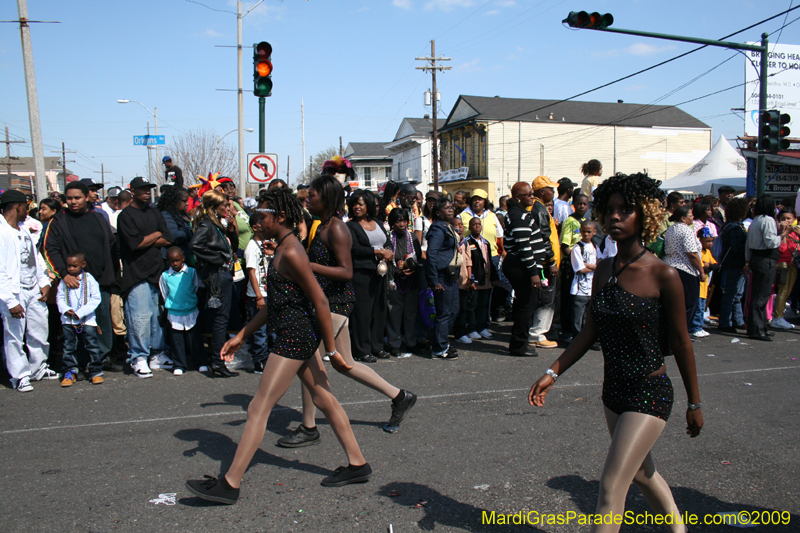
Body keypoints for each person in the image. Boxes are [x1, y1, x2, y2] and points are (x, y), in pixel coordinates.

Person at [529, 172, 703, 533]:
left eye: (625, 210)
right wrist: (553, 371)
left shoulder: (663, 274)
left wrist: (694, 404)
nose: (614, 217)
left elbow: (683, 342)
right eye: (609, 209)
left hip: (649, 391)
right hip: (614, 391)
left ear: (646, 216)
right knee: (642, 472)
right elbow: (589, 329)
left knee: (611, 486)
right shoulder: (604, 269)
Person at [186, 188, 372, 505]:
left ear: (281, 217)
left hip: (294, 337)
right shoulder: (283, 248)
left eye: (261, 216)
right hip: (293, 332)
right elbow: (276, 303)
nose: (255, 222)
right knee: (325, 398)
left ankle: (230, 484)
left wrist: (331, 350)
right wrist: (243, 334)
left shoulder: (293, 252)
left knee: (259, 406)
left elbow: (321, 299)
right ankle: (358, 464)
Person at [281, 177, 417, 446]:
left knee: (310, 360)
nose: (309, 198)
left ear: (328, 198)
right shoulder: (321, 225)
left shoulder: (337, 229)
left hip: (335, 303)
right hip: (326, 301)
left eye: (314, 194)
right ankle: (400, 396)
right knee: (346, 364)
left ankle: (309, 426)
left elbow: (346, 272)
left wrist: (307, 266)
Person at [44, 181, 120, 372]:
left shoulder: (98, 218)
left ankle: (101, 358)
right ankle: (78, 362)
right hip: (74, 281)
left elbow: (111, 245)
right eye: (69, 198)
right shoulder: (59, 220)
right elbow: (50, 249)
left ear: (86, 197)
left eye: (77, 198)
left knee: (101, 319)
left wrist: (112, 276)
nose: (73, 202)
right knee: (76, 323)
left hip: (100, 279)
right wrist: (64, 274)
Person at [117, 177, 173, 378]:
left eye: (149, 189)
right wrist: (154, 235)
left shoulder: (154, 212)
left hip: (156, 272)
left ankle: (157, 354)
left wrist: (148, 239)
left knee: (157, 317)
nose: (146, 192)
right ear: (132, 191)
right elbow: (135, 244)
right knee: (139, 318)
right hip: (136, 274)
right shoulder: (125, 216)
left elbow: (167, 238)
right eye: (142, 189)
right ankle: (138, 357)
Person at [0, 190, 56, 392]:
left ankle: (38, 366)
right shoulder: (2, 232)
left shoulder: (23, 230)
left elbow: (34, 259)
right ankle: (20, 375)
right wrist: (10, 301)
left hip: (33, 288)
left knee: (39, 328)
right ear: (17, 207)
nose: (29, 210)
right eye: (26, 206)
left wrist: (44, 281)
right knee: (14, 334)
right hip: (14, 292)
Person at [189, 189, 240, 377]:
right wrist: (217, 258)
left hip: (224, 274)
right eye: (224, 205)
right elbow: (194, 245)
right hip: (217, 274)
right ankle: (218, 363)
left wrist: (232, 229)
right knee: (221, 318)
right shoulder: (206, 224)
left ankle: (218, 362)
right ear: (213, 207)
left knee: (222, 318)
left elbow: (232, 246)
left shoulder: (218, 224)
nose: (228, 208)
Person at [347, 189, 392, 362]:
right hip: (361, 273)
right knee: (362, 313)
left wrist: (387, 251)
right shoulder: (350, 226)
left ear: (369, 205)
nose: (357, 207)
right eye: (354, 204)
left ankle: (377, 346)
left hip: (380, 273)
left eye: (360, 204)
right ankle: (362, 350)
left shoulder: (378, 222)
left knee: (379, 311)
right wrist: (378, 252)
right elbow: (355, 248)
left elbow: (386, 240)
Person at [502, 182, 546, 357]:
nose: (532, 197)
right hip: (520, 265)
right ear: (518, 197)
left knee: (526, 304)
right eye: (528, 194)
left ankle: (520, 342)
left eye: (532, 194)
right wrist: (533, 272)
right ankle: (519, 346)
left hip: (523, 265)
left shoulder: (521, 213)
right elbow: (524, 247)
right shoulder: (518, 216)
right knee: (526, 306)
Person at [57, 251, 103, 386]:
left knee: (92, 346)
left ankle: (95, 371)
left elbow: (96, 298)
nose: (70, 269)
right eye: (68, 266)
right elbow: (59, 297)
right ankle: (70, 371)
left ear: (83, 265)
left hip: (86, 320)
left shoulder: (89, 279)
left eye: (74, 266)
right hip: (68, 321)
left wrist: (81, 312)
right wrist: (66, 310)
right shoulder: (64, 281)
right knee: (69, 347)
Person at [425, 197, 461, 359]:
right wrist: (434, 280)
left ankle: (443, 341)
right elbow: (432, 254)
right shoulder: (438, 229)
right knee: (444, 312)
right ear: (438, 212)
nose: (451, 210)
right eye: (446, 208)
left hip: (451, 276)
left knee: (453, 310)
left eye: (451, 207)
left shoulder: (447, 226)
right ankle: (438, 348)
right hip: (441, 276)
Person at [745, 194, 785, 341]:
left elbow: (748, 244)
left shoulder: (756, 220)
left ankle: (760, 327)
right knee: (761, 296)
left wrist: (747, 261)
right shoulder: (768, 220)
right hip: (765, 259)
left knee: (759, 294)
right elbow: (770, 242)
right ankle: (757, 329)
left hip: (757, 258)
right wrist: (782, 234)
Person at [159, 246, 204, 376]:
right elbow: (164, 294)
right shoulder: (165, 276)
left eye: (177, 260)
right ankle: (179, 364)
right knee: (176, 340)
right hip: (174, 313)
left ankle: (200, 362)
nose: (175, 264)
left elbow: (196, 288)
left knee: (195, 339)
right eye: (172, 261)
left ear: (183, 258)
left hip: (191, 311)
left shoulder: (191, 272)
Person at [385, 207, 423, 357]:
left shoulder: (413, 238)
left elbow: (418, 257)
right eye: (398, 221)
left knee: (410, 314)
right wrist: (397, 270)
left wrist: (411, 267)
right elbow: (385, 260)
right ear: (392, 223)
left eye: (404, 221)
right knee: (394, 314)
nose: (401, 224)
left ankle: (411, 342)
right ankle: (394, 344)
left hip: (411, 281)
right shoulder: (388, 238)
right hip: (394, 281)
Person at [529, 176, 560, 349]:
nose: (553, 192)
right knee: (546, 298)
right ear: (542, 191)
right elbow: (543, 238)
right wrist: (551, 261)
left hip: (544, 262)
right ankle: (537, 334)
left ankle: (536, 332)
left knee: (543, 297)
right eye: (551, 189)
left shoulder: (539, 208)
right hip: (546, 264)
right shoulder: (539, 209)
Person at [663, 205, 705, 333]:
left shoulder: (671, 229)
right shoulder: (686, 230)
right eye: (690, 215)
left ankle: (672, 331)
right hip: (685, 269)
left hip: (670, 266)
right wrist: (701, 271)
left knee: (673, 303)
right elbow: (692, 252)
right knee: (689, 303)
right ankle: (682, 333)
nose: (693, 217)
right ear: (683, 218)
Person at [455, 217, 494, 344]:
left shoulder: (486, 242)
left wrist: (494, 276)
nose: (477, 226)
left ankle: (482, 327)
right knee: (472, 305)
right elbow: (469, 262)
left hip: (486, 278)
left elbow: (489, 260)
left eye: (479, 224)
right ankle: (471, 328)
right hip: (474, 279)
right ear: (470, 227)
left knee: (484, 304)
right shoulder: (467, 242)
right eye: (474, 224)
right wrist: (471, 278)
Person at [559, 193, 590, 342]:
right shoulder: (570, 221)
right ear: (574, 205)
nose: (582, 206)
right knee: (568, 299)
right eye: (579, 204)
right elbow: (565, 245)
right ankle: (567, 332)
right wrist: (575, 261)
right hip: (571, 265)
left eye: (585, 204)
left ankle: (580, 330)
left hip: (584, 267)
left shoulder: (586, 222)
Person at [717, 197, 750, 333]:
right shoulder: (735, 228)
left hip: (730, 263)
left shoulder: (728, 225)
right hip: (735, 263)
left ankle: (737, 320)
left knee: (735, 293)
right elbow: (737, 247)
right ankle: (726, 322)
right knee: (732, 294)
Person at [243, 214, 271, 373]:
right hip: (258, 295)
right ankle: (259, 360)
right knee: (260, 330)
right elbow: (252, 273)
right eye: (262, 222)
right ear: (255, 227)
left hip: (270, 292)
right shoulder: (252, 247)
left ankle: (270, 358)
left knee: (271, 329)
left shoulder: (268, 244)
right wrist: (259, 295)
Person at [569, 220, 597, 344]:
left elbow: (601, 262)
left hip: (592, 288)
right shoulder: (577, 248)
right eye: (584, 231)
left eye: (589, 232)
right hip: (579, 289)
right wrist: (594, 267)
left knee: (589, 317)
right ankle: (577, 339)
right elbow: (580, 269)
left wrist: (588, 265)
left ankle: (588, 340)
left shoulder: (595, 246)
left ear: (594, 232)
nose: (586, 234)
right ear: (580, 231)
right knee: (577, 317)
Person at [772, 208, 799, 329]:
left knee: (787, 292)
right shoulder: (779, 231)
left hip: (793, 264)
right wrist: (783, 232)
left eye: (789, 219)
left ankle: (780, 314)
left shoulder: (795, 232)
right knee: (782, 291)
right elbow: (782, 249)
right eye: (783, 219)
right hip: (782, 263)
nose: (786, 221)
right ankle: (777, 317)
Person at [690, 228, 718, 338]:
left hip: (705, 285)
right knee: (698, 307)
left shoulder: (708, 252)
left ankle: (699, 326)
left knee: (702, 307)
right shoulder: (699, 252)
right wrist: (707, 266)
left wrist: (709, 265)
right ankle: (695, 327)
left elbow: (714, 265)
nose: (710, 244)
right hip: (699, 285)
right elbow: (702, 267)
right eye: (707, 241)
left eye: (711, 241)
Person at [157, 186, 193, 258]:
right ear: (175, 201)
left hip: (185, 255)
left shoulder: (183, 214)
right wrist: (191, 231)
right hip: (174, 259)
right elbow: (174, 236)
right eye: (184, 201)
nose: (187, 204)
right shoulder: (166, 215)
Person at [414, 190, 442, 260]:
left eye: (434, 201)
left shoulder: (443, 221)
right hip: (426, 257)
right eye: (429, 201)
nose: (432, 203)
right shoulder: (421, 220)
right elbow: (417, 244)